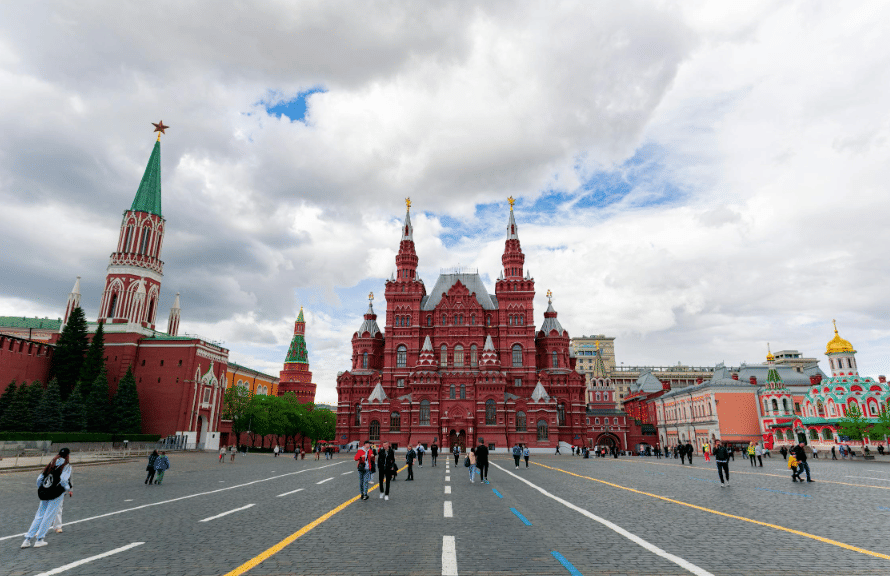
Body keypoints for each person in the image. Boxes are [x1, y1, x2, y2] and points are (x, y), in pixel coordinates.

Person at [21, 448, 72, 548]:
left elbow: (39, 479)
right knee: (49, 516)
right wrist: (66, 489)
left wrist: (43, 488)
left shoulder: (51, 463)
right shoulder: (66, 465)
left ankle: (27, 540)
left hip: (45, 491)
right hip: (56, 493)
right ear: (67, 455)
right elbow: (64, 480)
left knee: (39, 515)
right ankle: (39, 539)